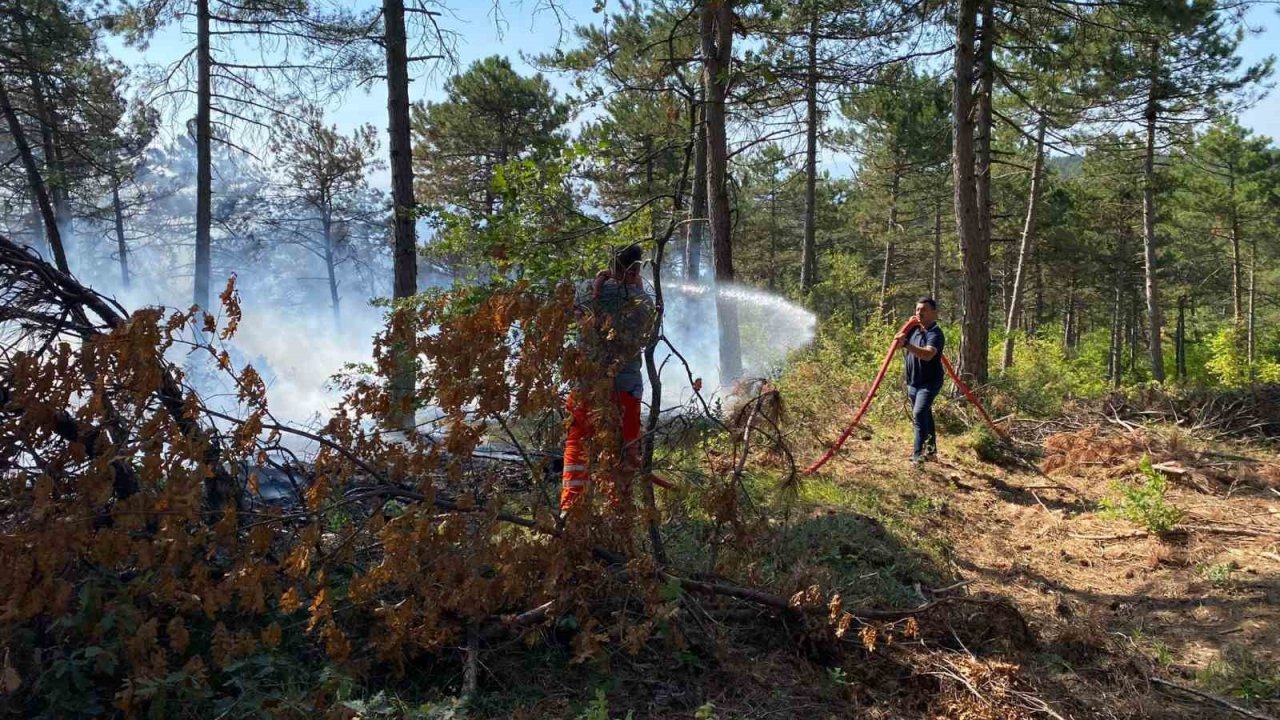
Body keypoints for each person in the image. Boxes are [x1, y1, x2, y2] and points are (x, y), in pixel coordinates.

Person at [560, 244, 655, 511]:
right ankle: (619, 516)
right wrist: (636, 286)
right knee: (624, 457)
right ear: (635, 269)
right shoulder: (642, 302)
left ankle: (571, 512)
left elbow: (572, 307)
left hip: (585, 387)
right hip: (625, 390)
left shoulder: (585, 291)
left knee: (578, 451)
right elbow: (648, 332)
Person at [894, 297, 945, 464]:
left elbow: (928, 354)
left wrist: (907, 344)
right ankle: (931, 452)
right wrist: (905, 331)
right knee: (925, 415)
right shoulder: (914, 329)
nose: (919, 313)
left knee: (919, 414)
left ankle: (918, 457)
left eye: (923, 310)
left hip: (929, 383)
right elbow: (897, 343)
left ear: (933, 313)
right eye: (917, 310)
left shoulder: (935, 333)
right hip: (913, 383)